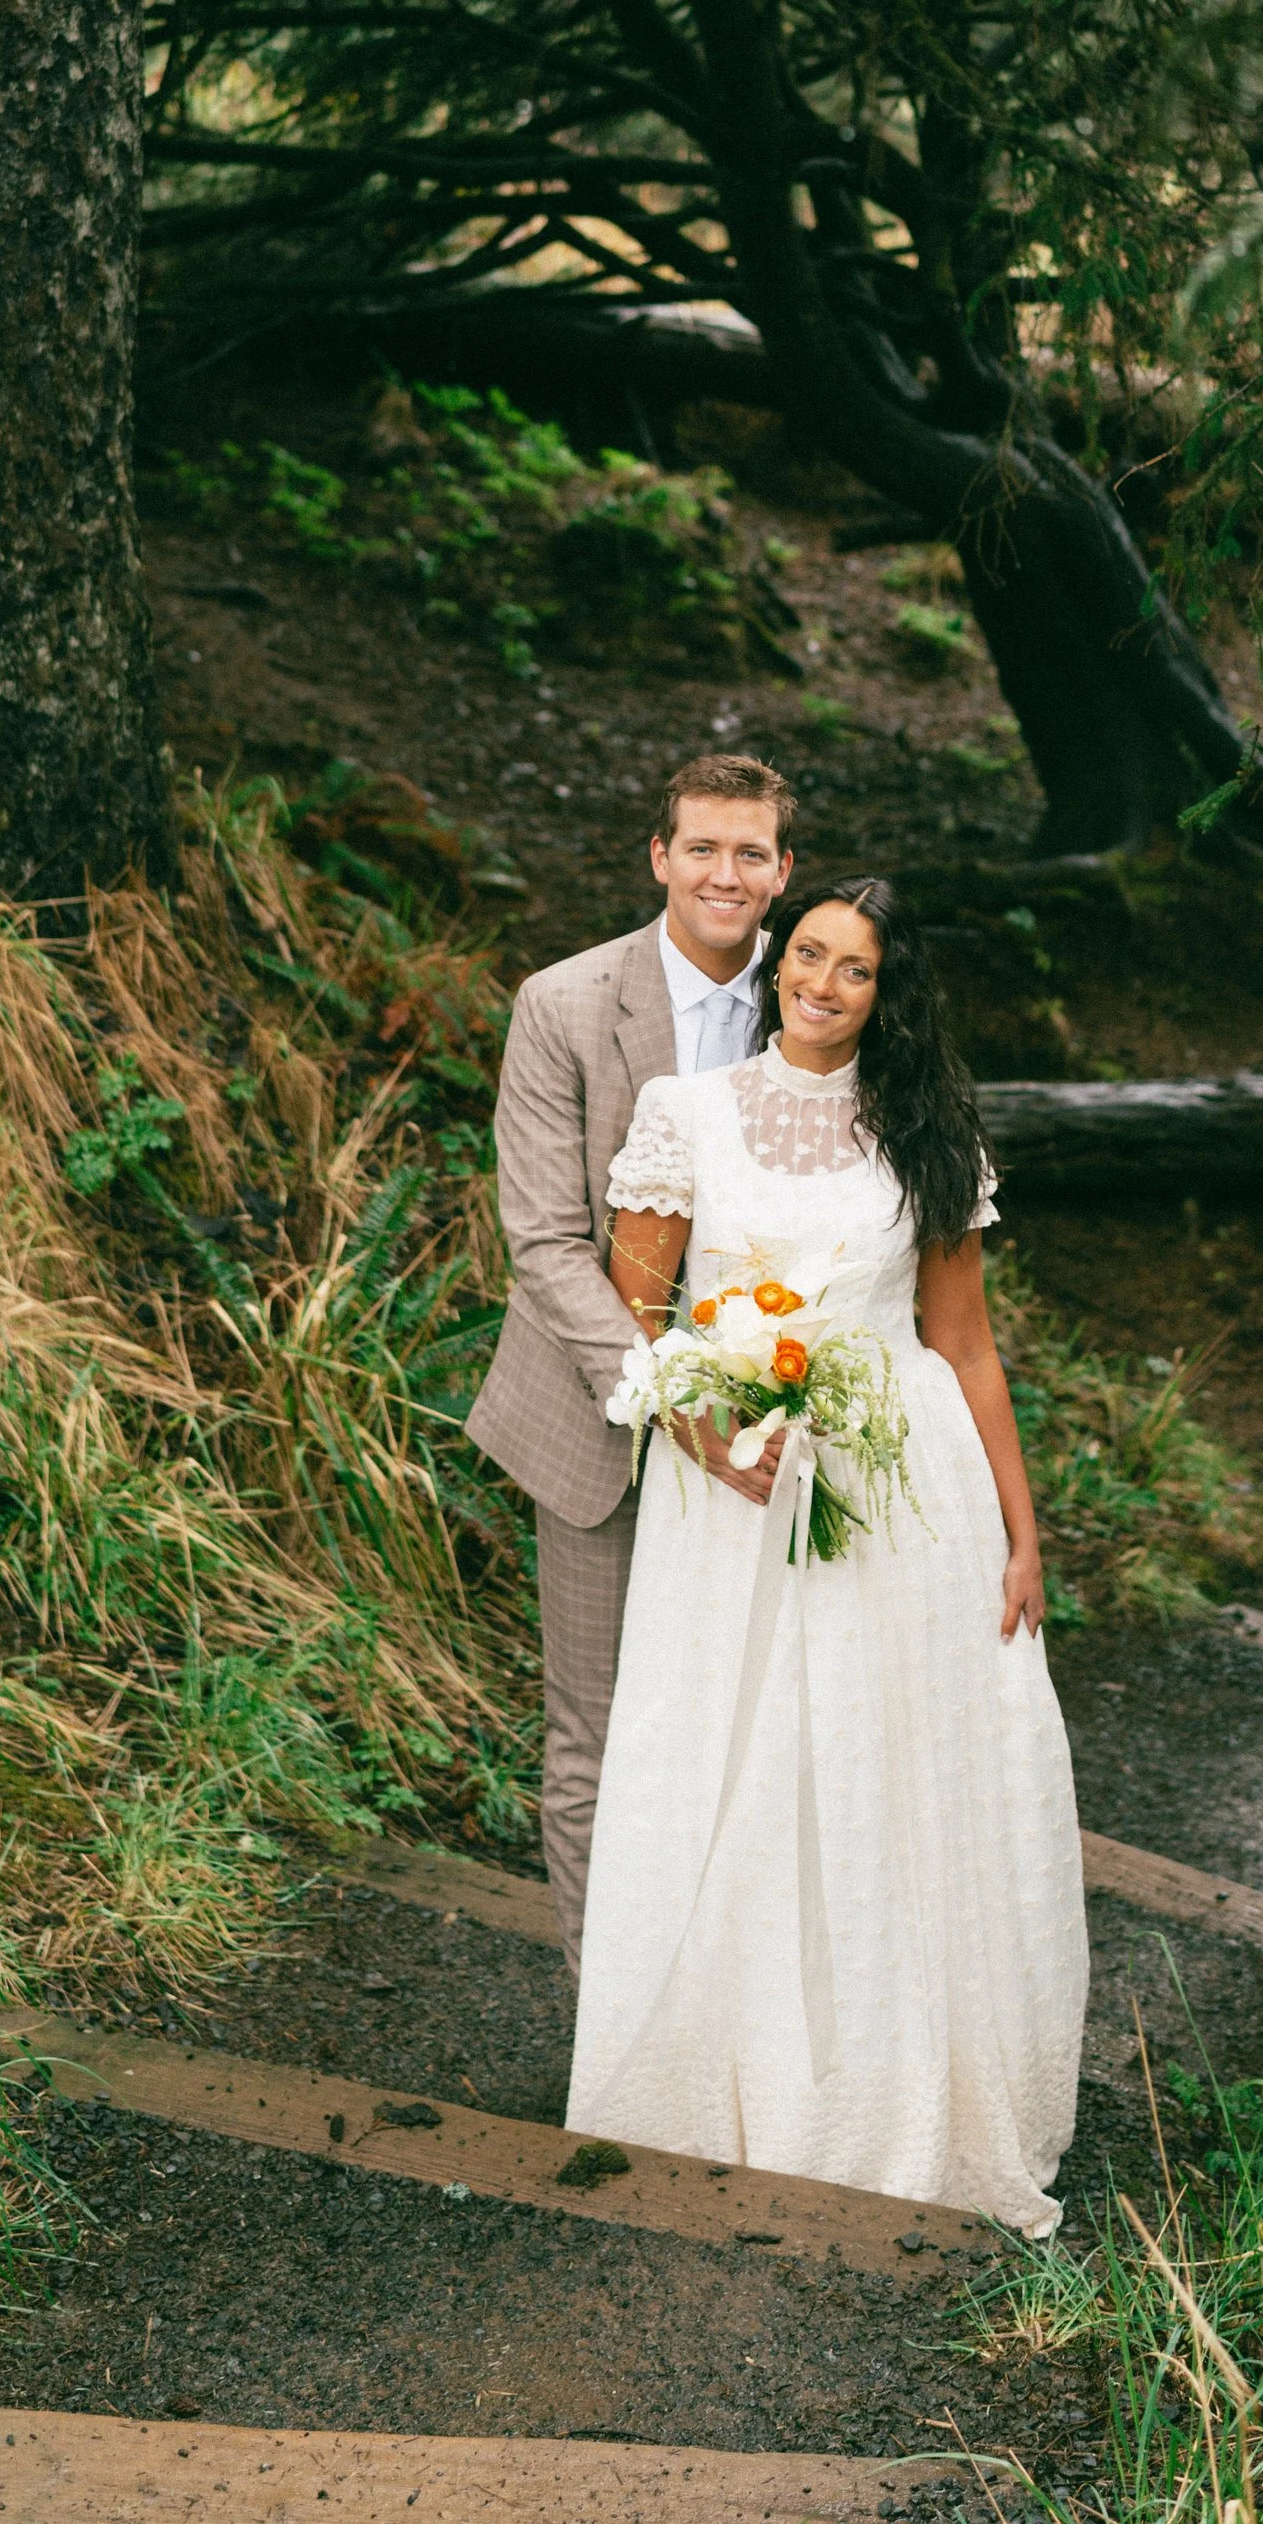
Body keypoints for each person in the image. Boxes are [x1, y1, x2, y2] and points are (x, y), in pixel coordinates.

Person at [565, 877, 1086, 2235]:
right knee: (725, 1754)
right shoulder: (688, 1113)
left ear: (885, 991)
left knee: (875, 1761)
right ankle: (716, 2081)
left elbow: (964, 1343)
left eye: (857, 969)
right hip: (731, 1491)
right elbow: (637, 1313)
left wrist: (1025, 1534)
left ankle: (882, 2087)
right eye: (809, 955)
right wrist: (701, 1429)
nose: (826, 983)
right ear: (775, 964)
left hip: (900, 1484)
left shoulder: (925, 1133)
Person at [470, 752, 798, 1969]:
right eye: (700, 848)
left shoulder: (814, 997)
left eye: (749, 852)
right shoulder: (563, 1005)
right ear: (658, 857)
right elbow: (546, 1244)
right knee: (596, 1739)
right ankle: (608, 2028)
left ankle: (729, 2015)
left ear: (782, 871)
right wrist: (677, 1401)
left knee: (758, 1728)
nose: (725, 873)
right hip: (598, 1416)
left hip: (779, 1420)